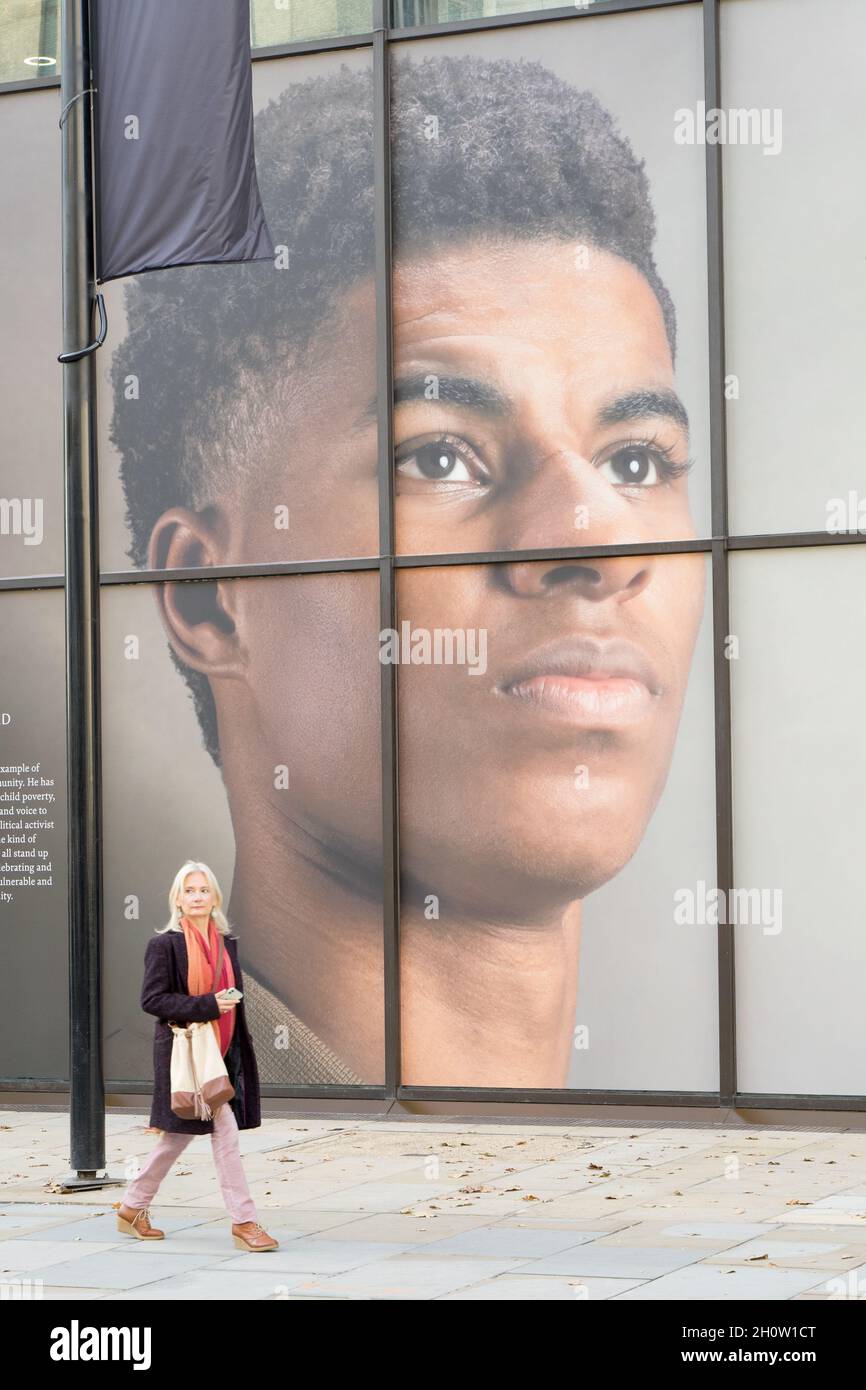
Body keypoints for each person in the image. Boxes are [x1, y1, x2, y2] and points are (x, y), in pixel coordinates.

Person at [110, 54, 706, 1089]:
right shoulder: (179, 1138)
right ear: (209, 598)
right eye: (437, 455)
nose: (600, 543)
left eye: (635, 462)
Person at [113, 861, 279, 1250]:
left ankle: (132, 1206)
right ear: (178, 898)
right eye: (190, 890)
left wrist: (223, 1011)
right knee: (226, 1135)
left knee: (176, 1136)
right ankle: (245, 1221)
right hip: (184, 1057)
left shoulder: (226, 944)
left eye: (204, 890)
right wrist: (207, 1004)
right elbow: (152, 1000)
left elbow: (232, 1001)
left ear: (214, 897)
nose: (198, 896)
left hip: (222, 1053)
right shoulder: (165, 944)